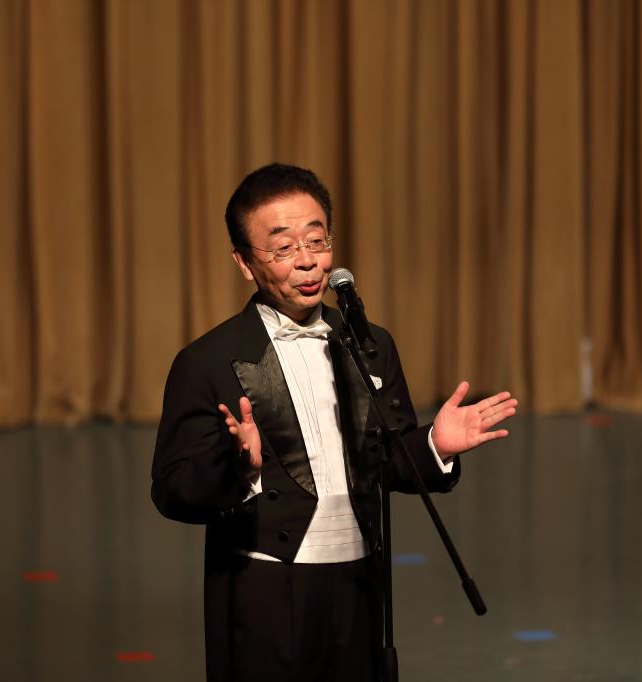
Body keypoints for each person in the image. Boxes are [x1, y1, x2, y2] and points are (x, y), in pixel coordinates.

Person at [151, 163, 517, 682]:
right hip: (264, 588)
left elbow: (389, 461)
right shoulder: (206, 362)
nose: (307, 261)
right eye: (283, 248)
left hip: (361, 580)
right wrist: (239, 468)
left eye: (316, 241)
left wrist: (435, 444)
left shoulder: (369, 343)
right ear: (245, 262)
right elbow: (171, 491)